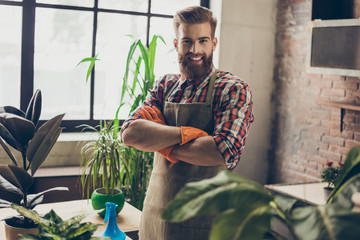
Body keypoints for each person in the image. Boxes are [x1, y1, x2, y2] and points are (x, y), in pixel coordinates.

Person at [120, 5, 254, 240]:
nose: (195, 50)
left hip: (203, 224)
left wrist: (160, 141)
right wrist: (188, 134)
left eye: (203, 40)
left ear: (214, 42)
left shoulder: (232, 89)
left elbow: (224, 152)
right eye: (187, 41)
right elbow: (130, 135)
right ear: (176, 44)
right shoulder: (164, 87)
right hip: (154, 220)